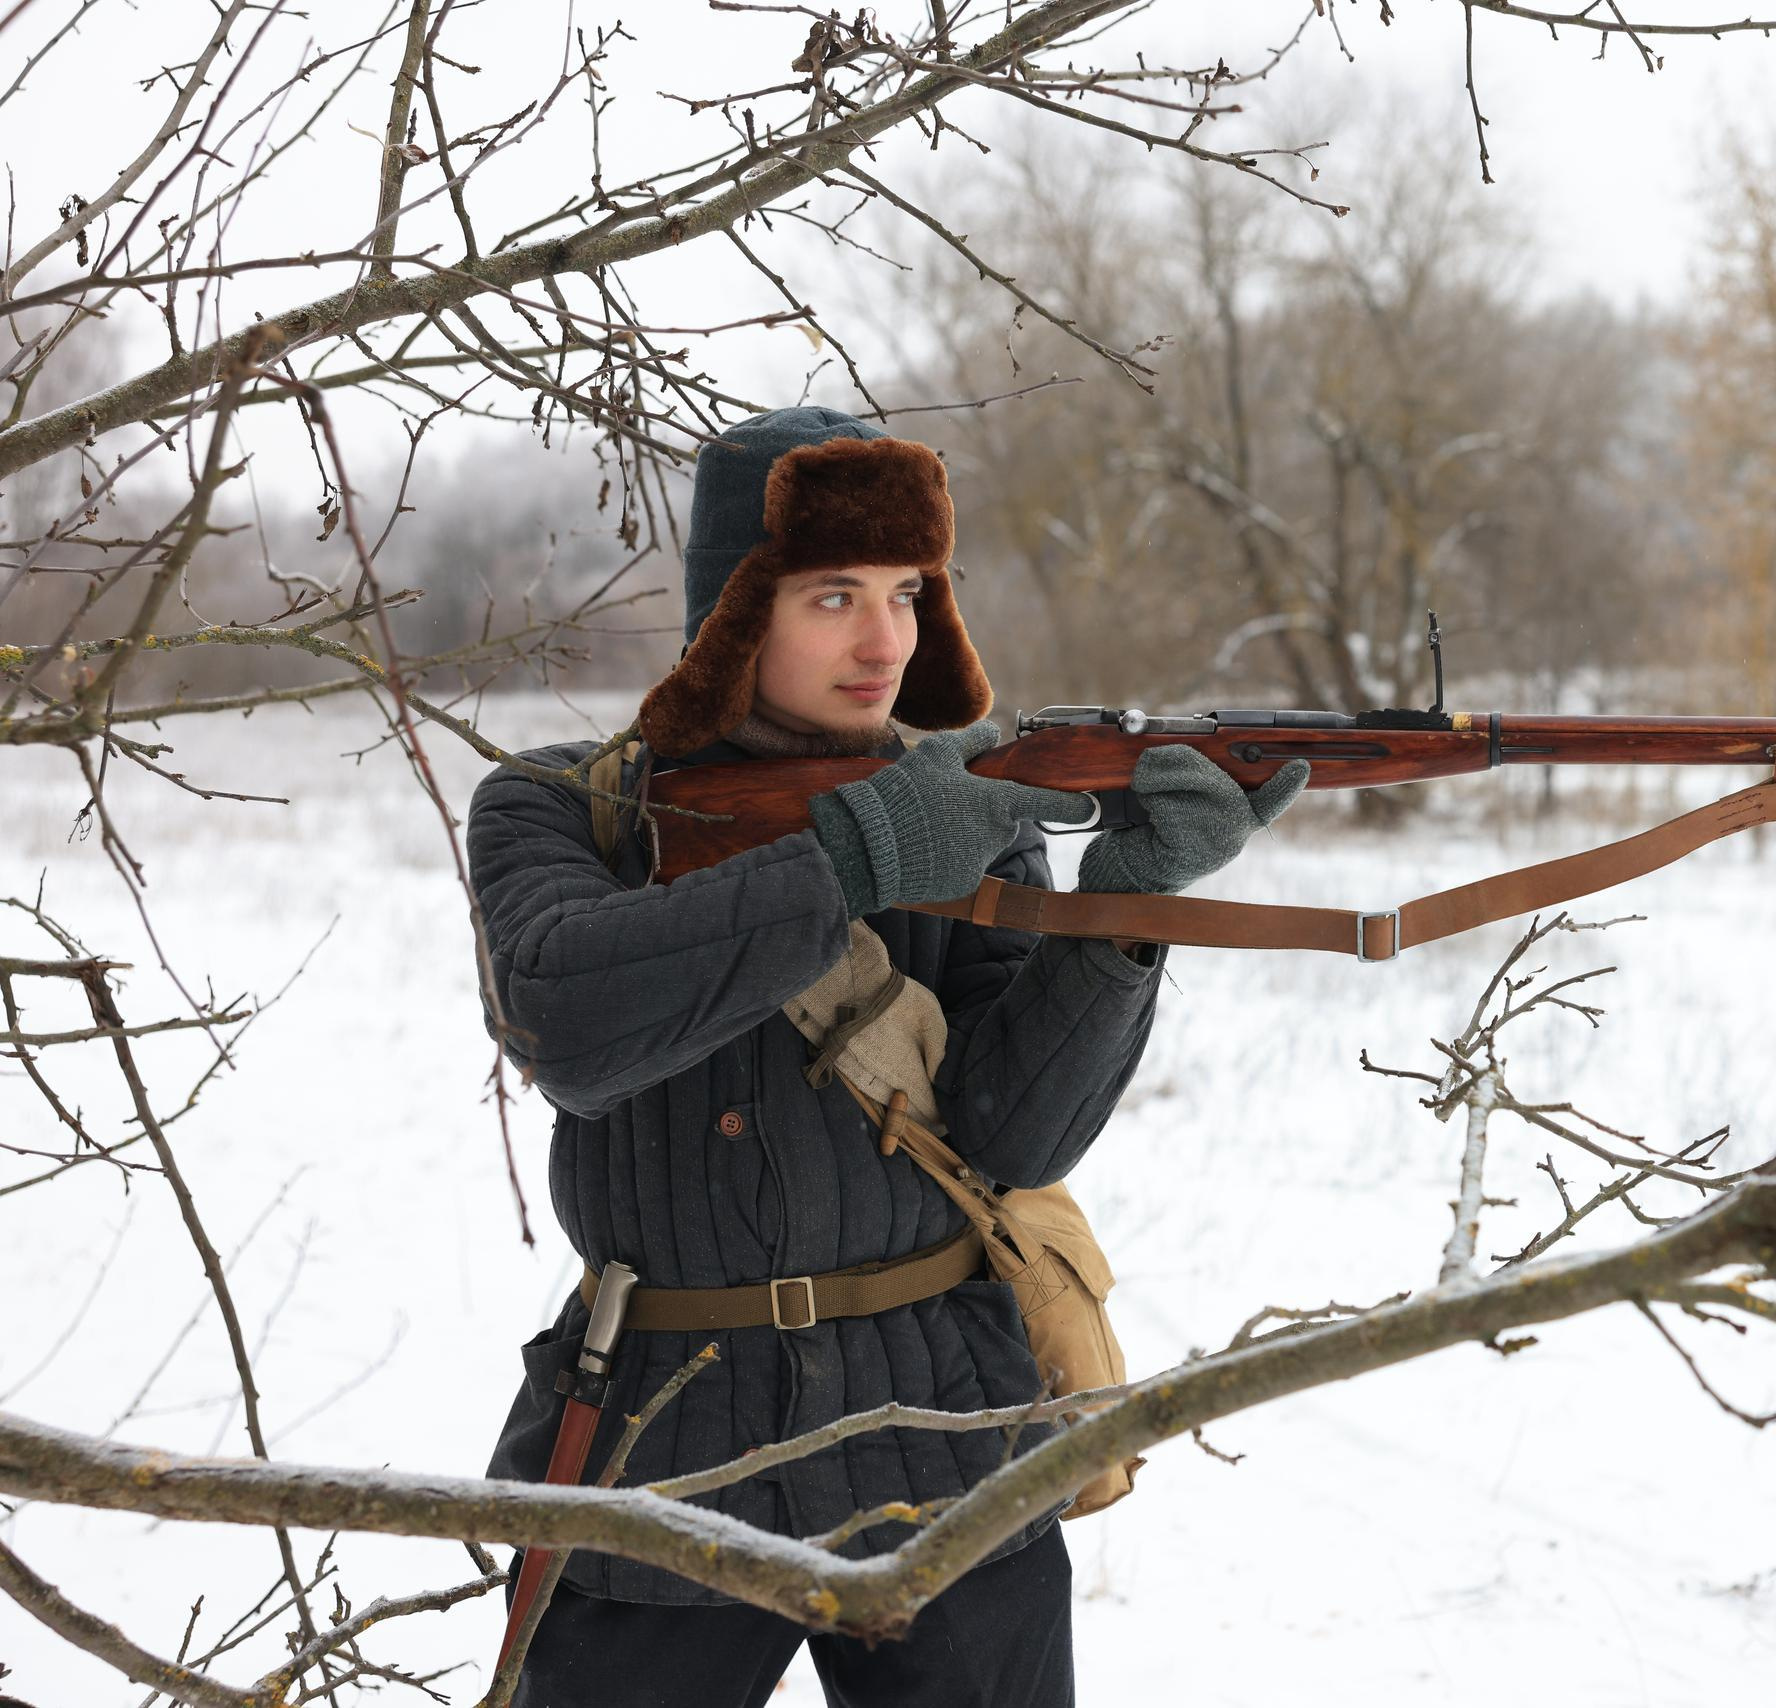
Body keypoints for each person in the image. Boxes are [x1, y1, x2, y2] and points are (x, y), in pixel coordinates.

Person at [465, 407, 1306, 1707]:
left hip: (945, 1429)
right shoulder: (560, 806)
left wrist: (1123, 907)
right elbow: (567, 1027)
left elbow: (1013, 1138)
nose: (884, 639)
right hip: (656, 1436)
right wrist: (851, 862)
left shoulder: (969, 811)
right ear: (736, 610)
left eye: (909, 593)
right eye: (835, 594)